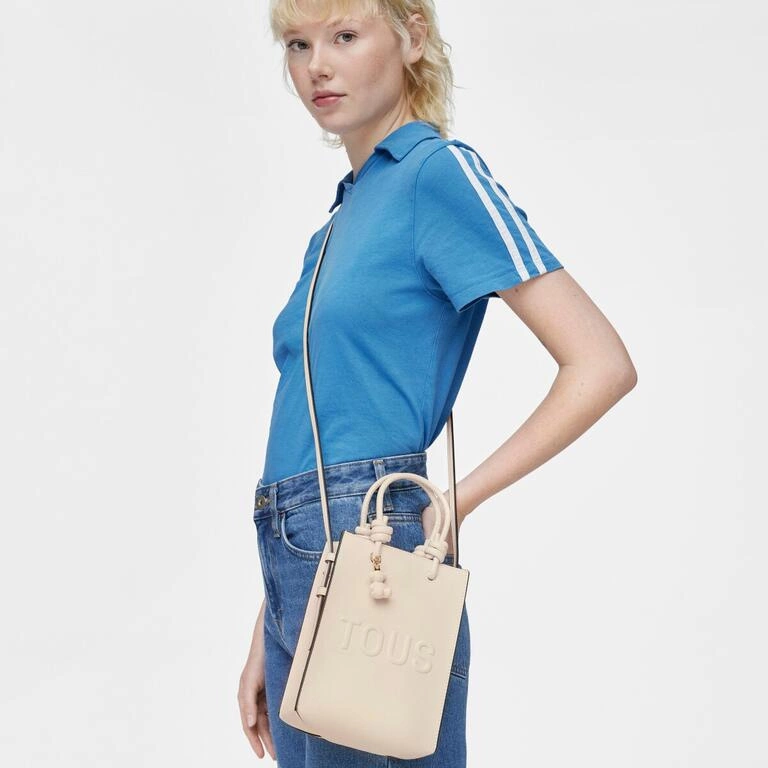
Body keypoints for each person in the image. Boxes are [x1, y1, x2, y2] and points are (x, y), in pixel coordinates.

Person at [238, 1, 638, 764]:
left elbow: (600, 362)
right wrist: (271, 616)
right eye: (297, 44)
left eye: (344, 36)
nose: (317, 66)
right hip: (301, 566)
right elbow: (320, 425)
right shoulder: (338, 222)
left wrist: (456, 501)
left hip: (377, 548)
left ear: (412, 37)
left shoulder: (435, 174)